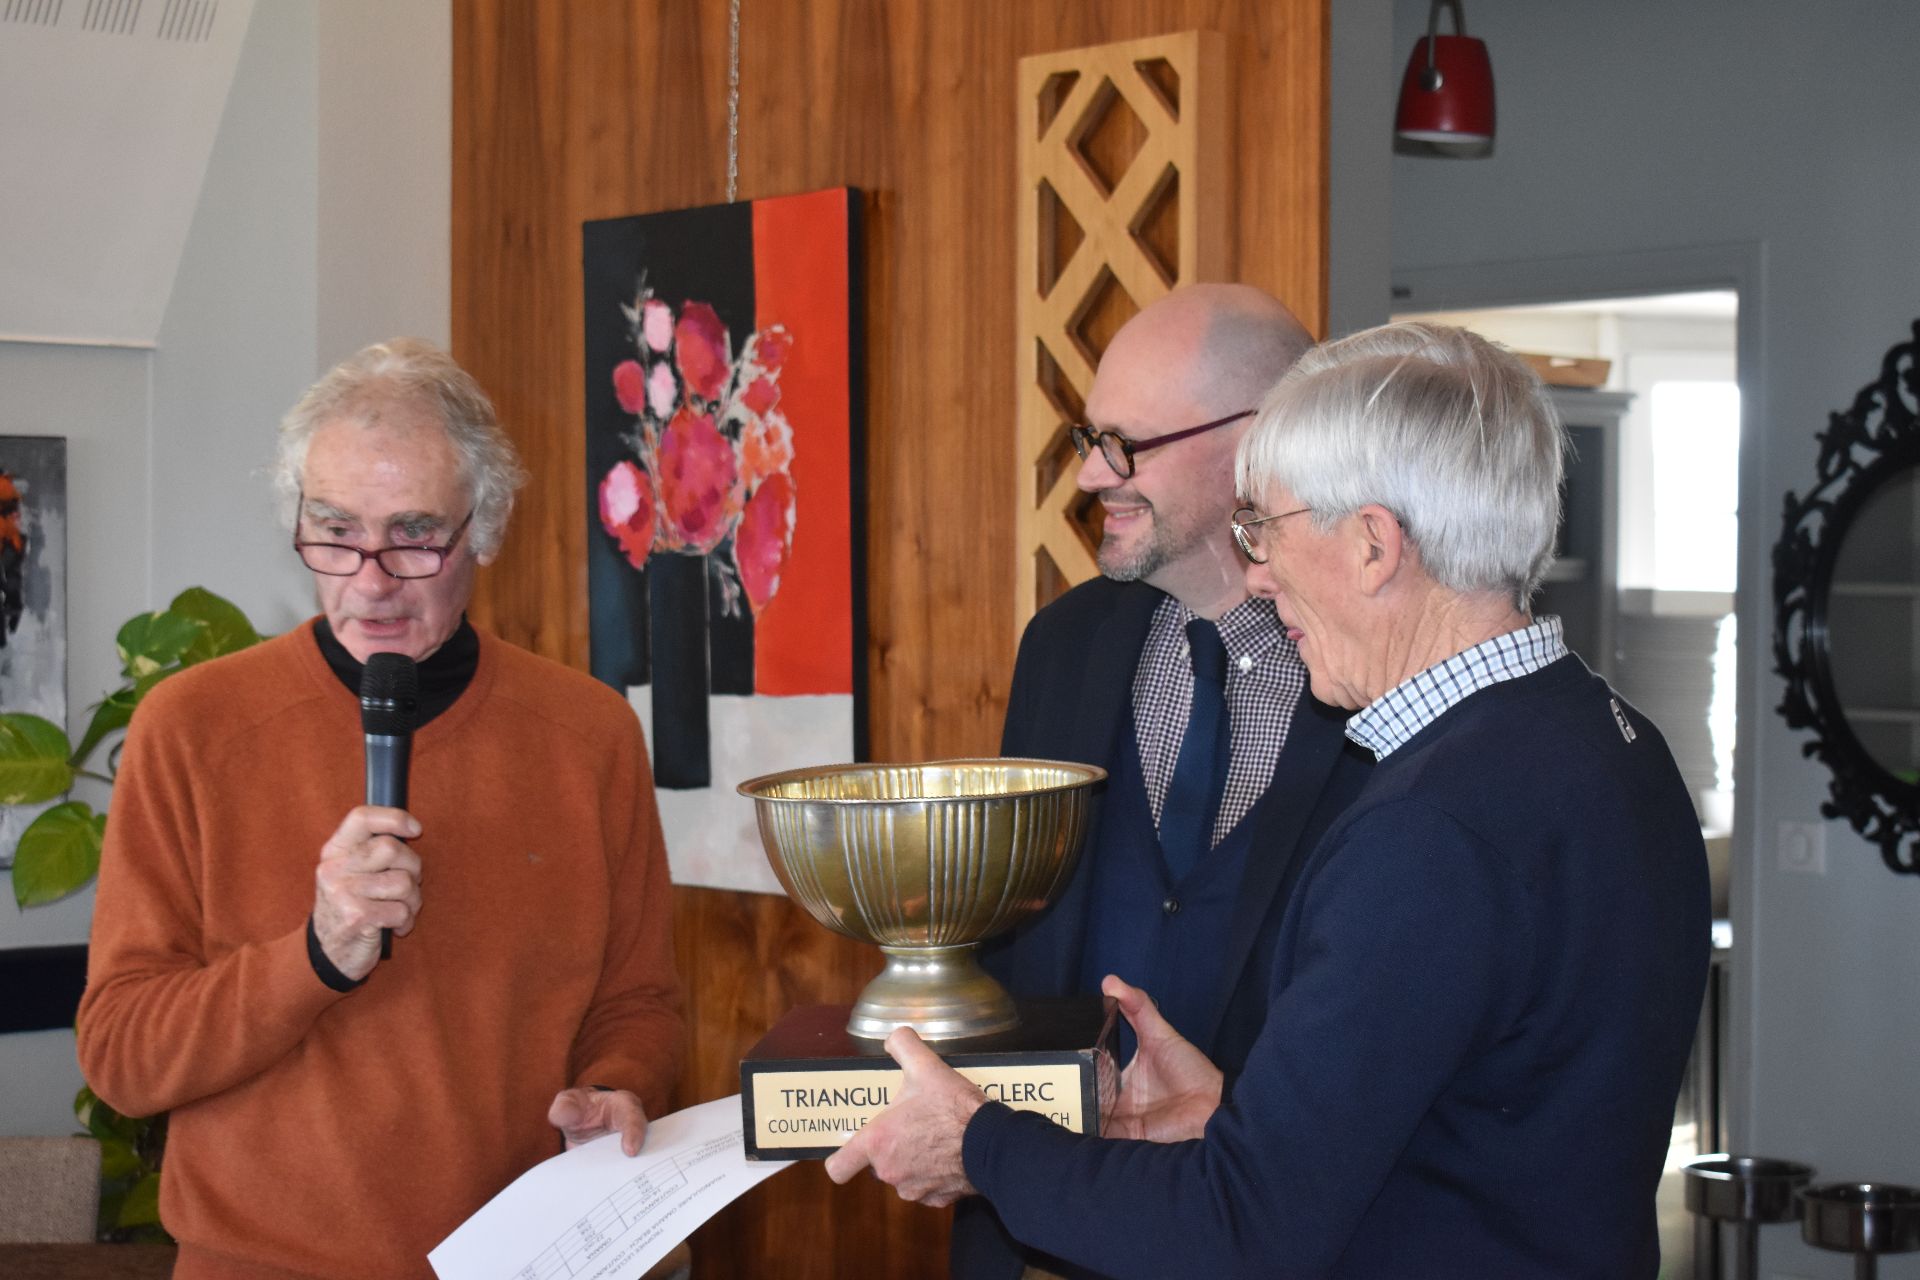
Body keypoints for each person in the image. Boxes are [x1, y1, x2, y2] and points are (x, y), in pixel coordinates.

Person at [830, 323, 1711, 1279]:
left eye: (1266, 530)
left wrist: (979, 1145)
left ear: (1373, 545)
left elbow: (1244, 1233)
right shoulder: (1617, 740)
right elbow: (1495, 1135)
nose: (1255, 573)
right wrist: (1239, 1116)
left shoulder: (1427, 827)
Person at [76, 340, 685, 1279]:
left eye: (414, 534)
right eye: (334, 531)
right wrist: (316, 954)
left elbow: (637, 1003)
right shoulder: (190, 729)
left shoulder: (589, 734)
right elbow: (122, 1055)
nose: (369, 580)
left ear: (485, 529)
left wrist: (617, 1089)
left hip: (519, 1262)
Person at [956, 284, 1373, 1277]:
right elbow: (1010, 951)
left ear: (1259, 443)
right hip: (1046, 1235)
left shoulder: (1370, 672)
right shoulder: (1061, 648)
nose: (1091, 474)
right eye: (1087, 438)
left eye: (1125, 445)